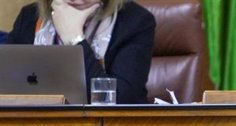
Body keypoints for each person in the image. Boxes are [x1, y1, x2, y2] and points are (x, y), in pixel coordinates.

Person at [7, 0, 155, 103]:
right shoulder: (29, 17)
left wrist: (74, 38)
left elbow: (120, 99)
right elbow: (7, 86)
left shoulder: (135, 21)